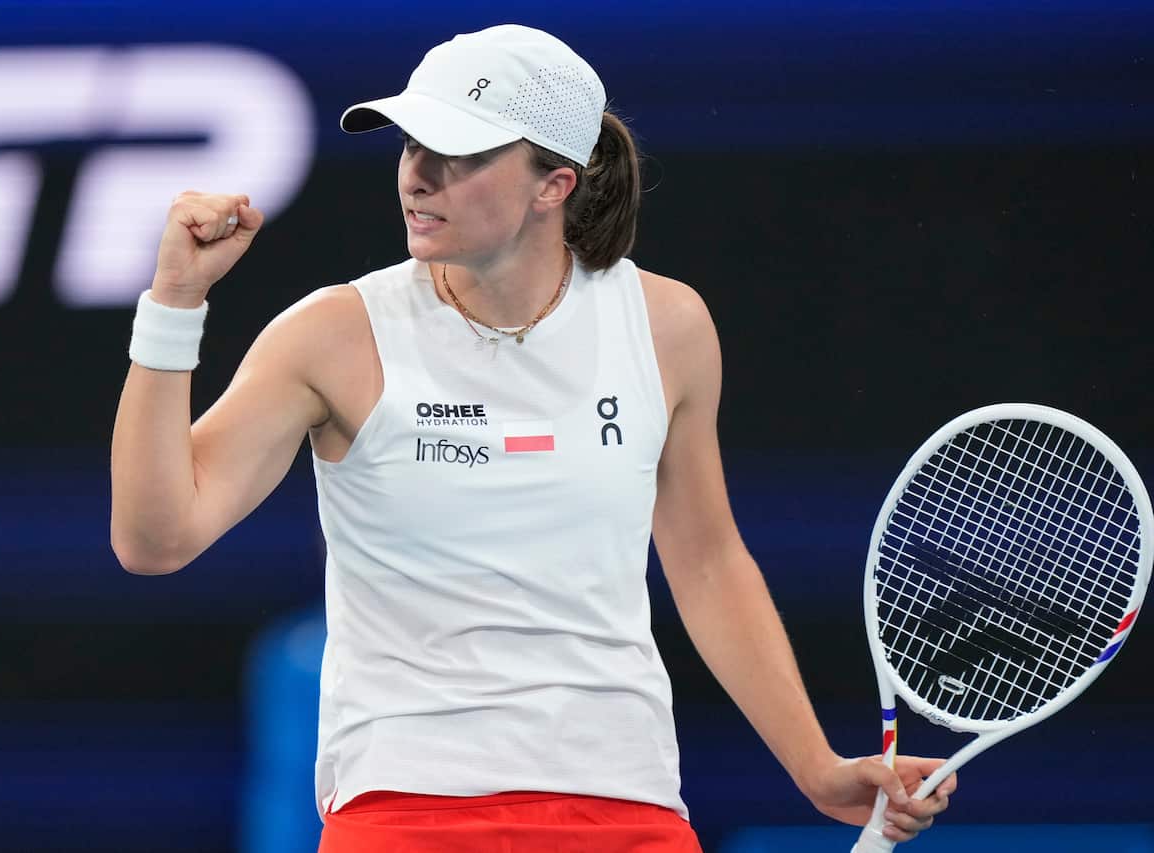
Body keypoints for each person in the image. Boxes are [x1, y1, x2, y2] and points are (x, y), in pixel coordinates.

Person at [109, 24, 957, 852]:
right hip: (407, 806)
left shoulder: (667, 324)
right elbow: (155, 539)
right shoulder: (333, 334)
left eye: (463, 154)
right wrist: (174, 304)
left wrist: (814, 767)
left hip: (626, 799)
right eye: (411, 146)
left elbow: (705, 559)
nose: (420, 177)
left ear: (554, 183)